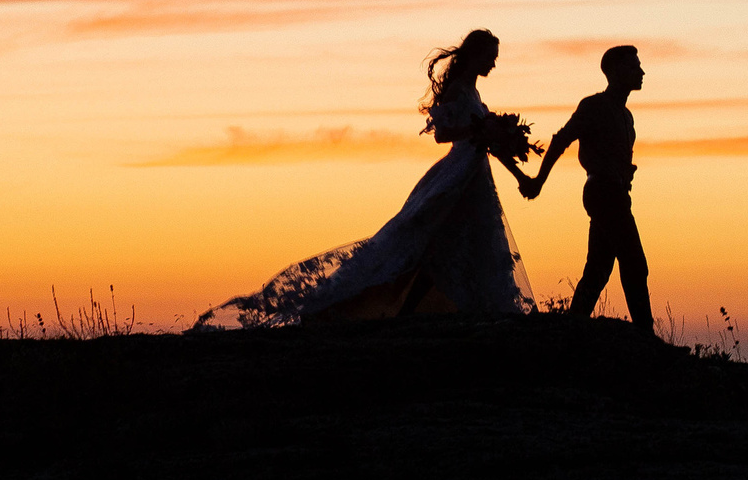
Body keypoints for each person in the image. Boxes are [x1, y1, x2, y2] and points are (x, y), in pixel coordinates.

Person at [195, 29, 537, 327]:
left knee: (458, 242)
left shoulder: (474, 94)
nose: (493, 63)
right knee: (426, 242)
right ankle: (349, 304)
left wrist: (519, 172)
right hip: (456, 174)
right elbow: (443, 134)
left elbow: (487, 143)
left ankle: (475, 305)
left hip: (474, 175)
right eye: (490, 57)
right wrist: (478, 128)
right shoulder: (459, 93)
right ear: (475, 56)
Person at [519, 45, 652, 331]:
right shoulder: (593, 106)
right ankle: (646, 333)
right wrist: (539, 180)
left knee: (598, 270)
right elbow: (561, 139)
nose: (641, 72)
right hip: (602, 193)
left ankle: (573, 324)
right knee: (634, 262)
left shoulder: (626, 115)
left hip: (617, 195)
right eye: (633, 67)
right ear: (614, 72)